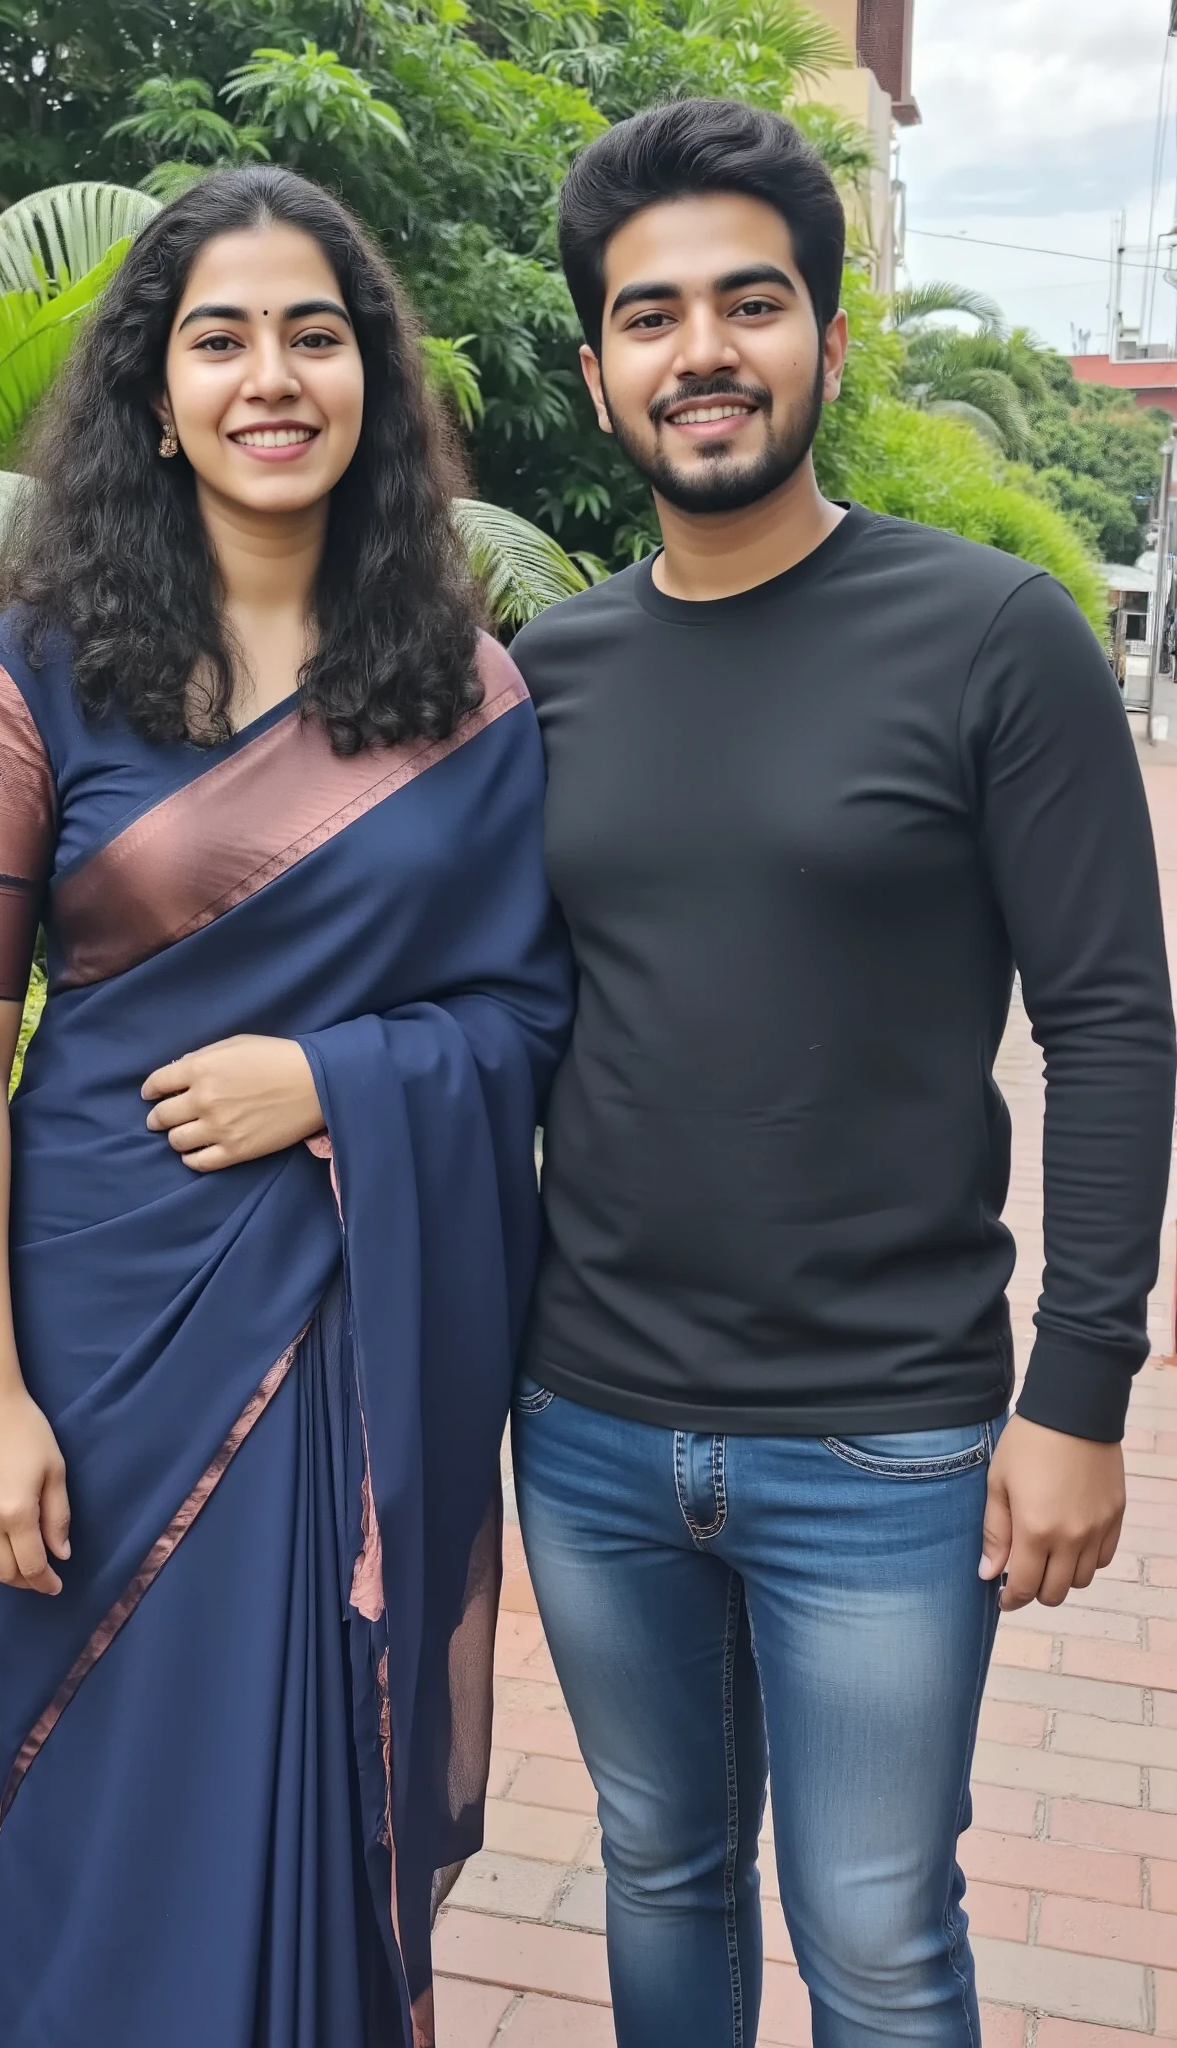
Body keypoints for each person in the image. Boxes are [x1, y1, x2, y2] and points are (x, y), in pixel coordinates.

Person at [508, 98, 1176, 2048]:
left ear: (825, 331)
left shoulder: (987, 637)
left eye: (748, 301)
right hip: (593, 1422)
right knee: (661, 1868)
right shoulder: (548, 672)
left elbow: (1112, 1019)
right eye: (650, 315)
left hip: (887, 1435)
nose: (699, 349)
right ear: (599, 368)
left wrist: (1079, 1391)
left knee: (877, 1931)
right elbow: (489, 1003)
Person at [0, 165, 572, 2048]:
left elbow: (525, 1018)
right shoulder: (36, 677)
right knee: (105, 1822)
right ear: (155, 385)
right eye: (219, 338)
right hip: (104, 1345)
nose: (269, 377)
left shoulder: (469, 692)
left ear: (370, 376)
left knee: (325, 1796)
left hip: (352, 1343)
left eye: (313, 333)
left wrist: (338, 1082)